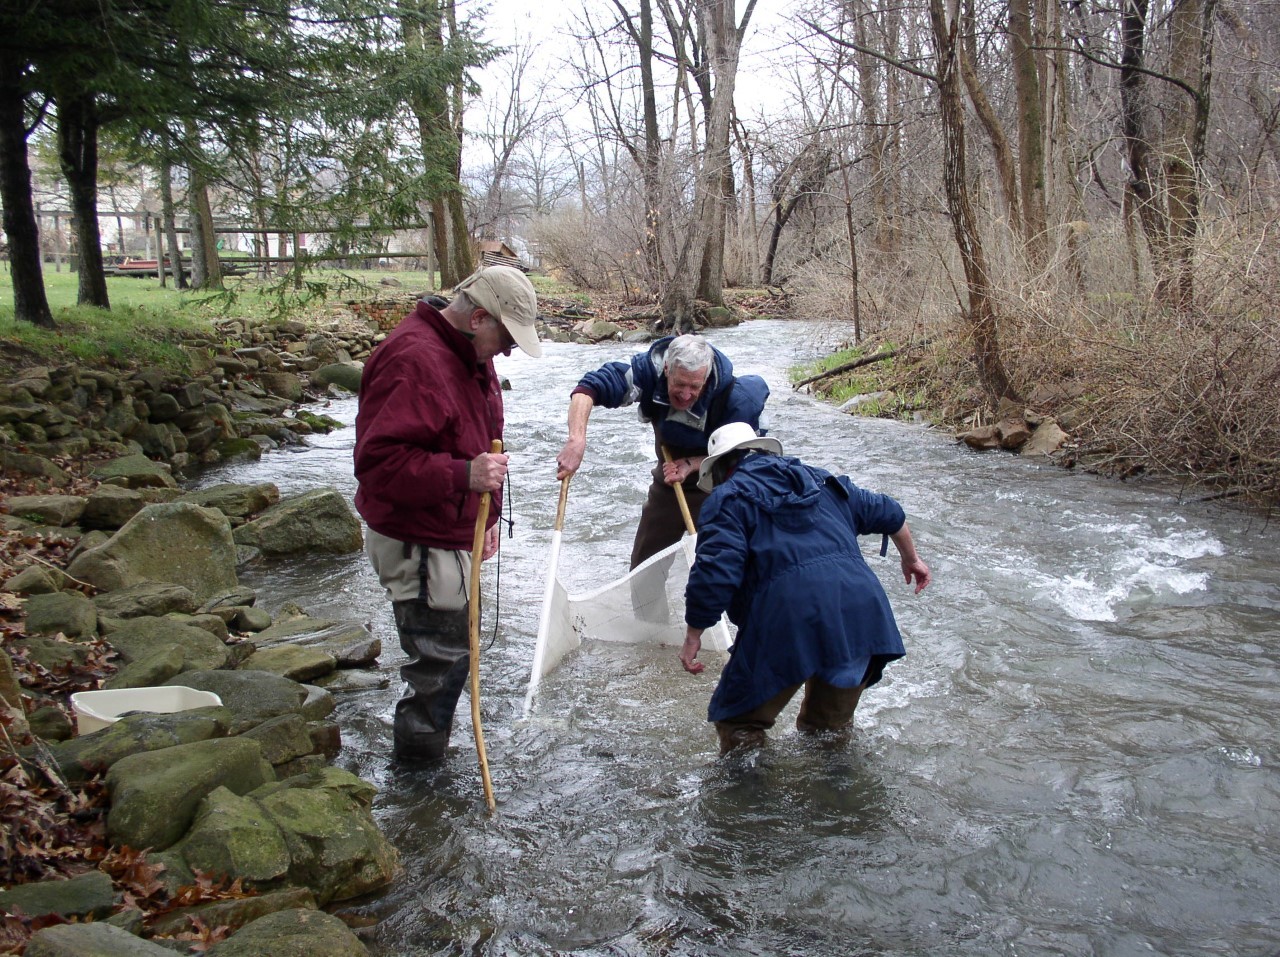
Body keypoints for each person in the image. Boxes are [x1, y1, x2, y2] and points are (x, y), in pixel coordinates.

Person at [353, 265, 542, 765]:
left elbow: (472, 446)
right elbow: (378, 466)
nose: (507, 352)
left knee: (452, 655)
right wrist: (465, 478)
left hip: (446, 531)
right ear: (479, 317)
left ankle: (426, 767)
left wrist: (487, 520)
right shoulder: (415, 360)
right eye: (506, 340)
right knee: (438, 665)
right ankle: (419, 785)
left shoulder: (462, 352)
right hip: (417, 539)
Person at [679, 422, 931, 754]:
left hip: (788, 614)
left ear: (722, 469)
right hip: (860, 614)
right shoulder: (823, 481)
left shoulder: (727, 499)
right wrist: (912, 560)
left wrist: (694, 632)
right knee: (828, 734)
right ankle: (834, 798)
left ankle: (750, 802)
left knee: (740, 723)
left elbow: (715, 572)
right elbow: (891, 513)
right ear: (764, 451)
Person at [556, 334, 770, 569]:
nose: (686, 394)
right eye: (679, 384)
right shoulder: (647, 373)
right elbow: (588, 388)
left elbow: (748, 453)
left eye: (694, 387)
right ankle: (647, 604)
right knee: (643, 568)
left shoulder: (737, 399)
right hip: (668, 480)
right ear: (667, 368)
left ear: (706, 378)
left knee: (721, 570)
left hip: (720, 484)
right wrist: (577, 440)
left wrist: (692, 463)